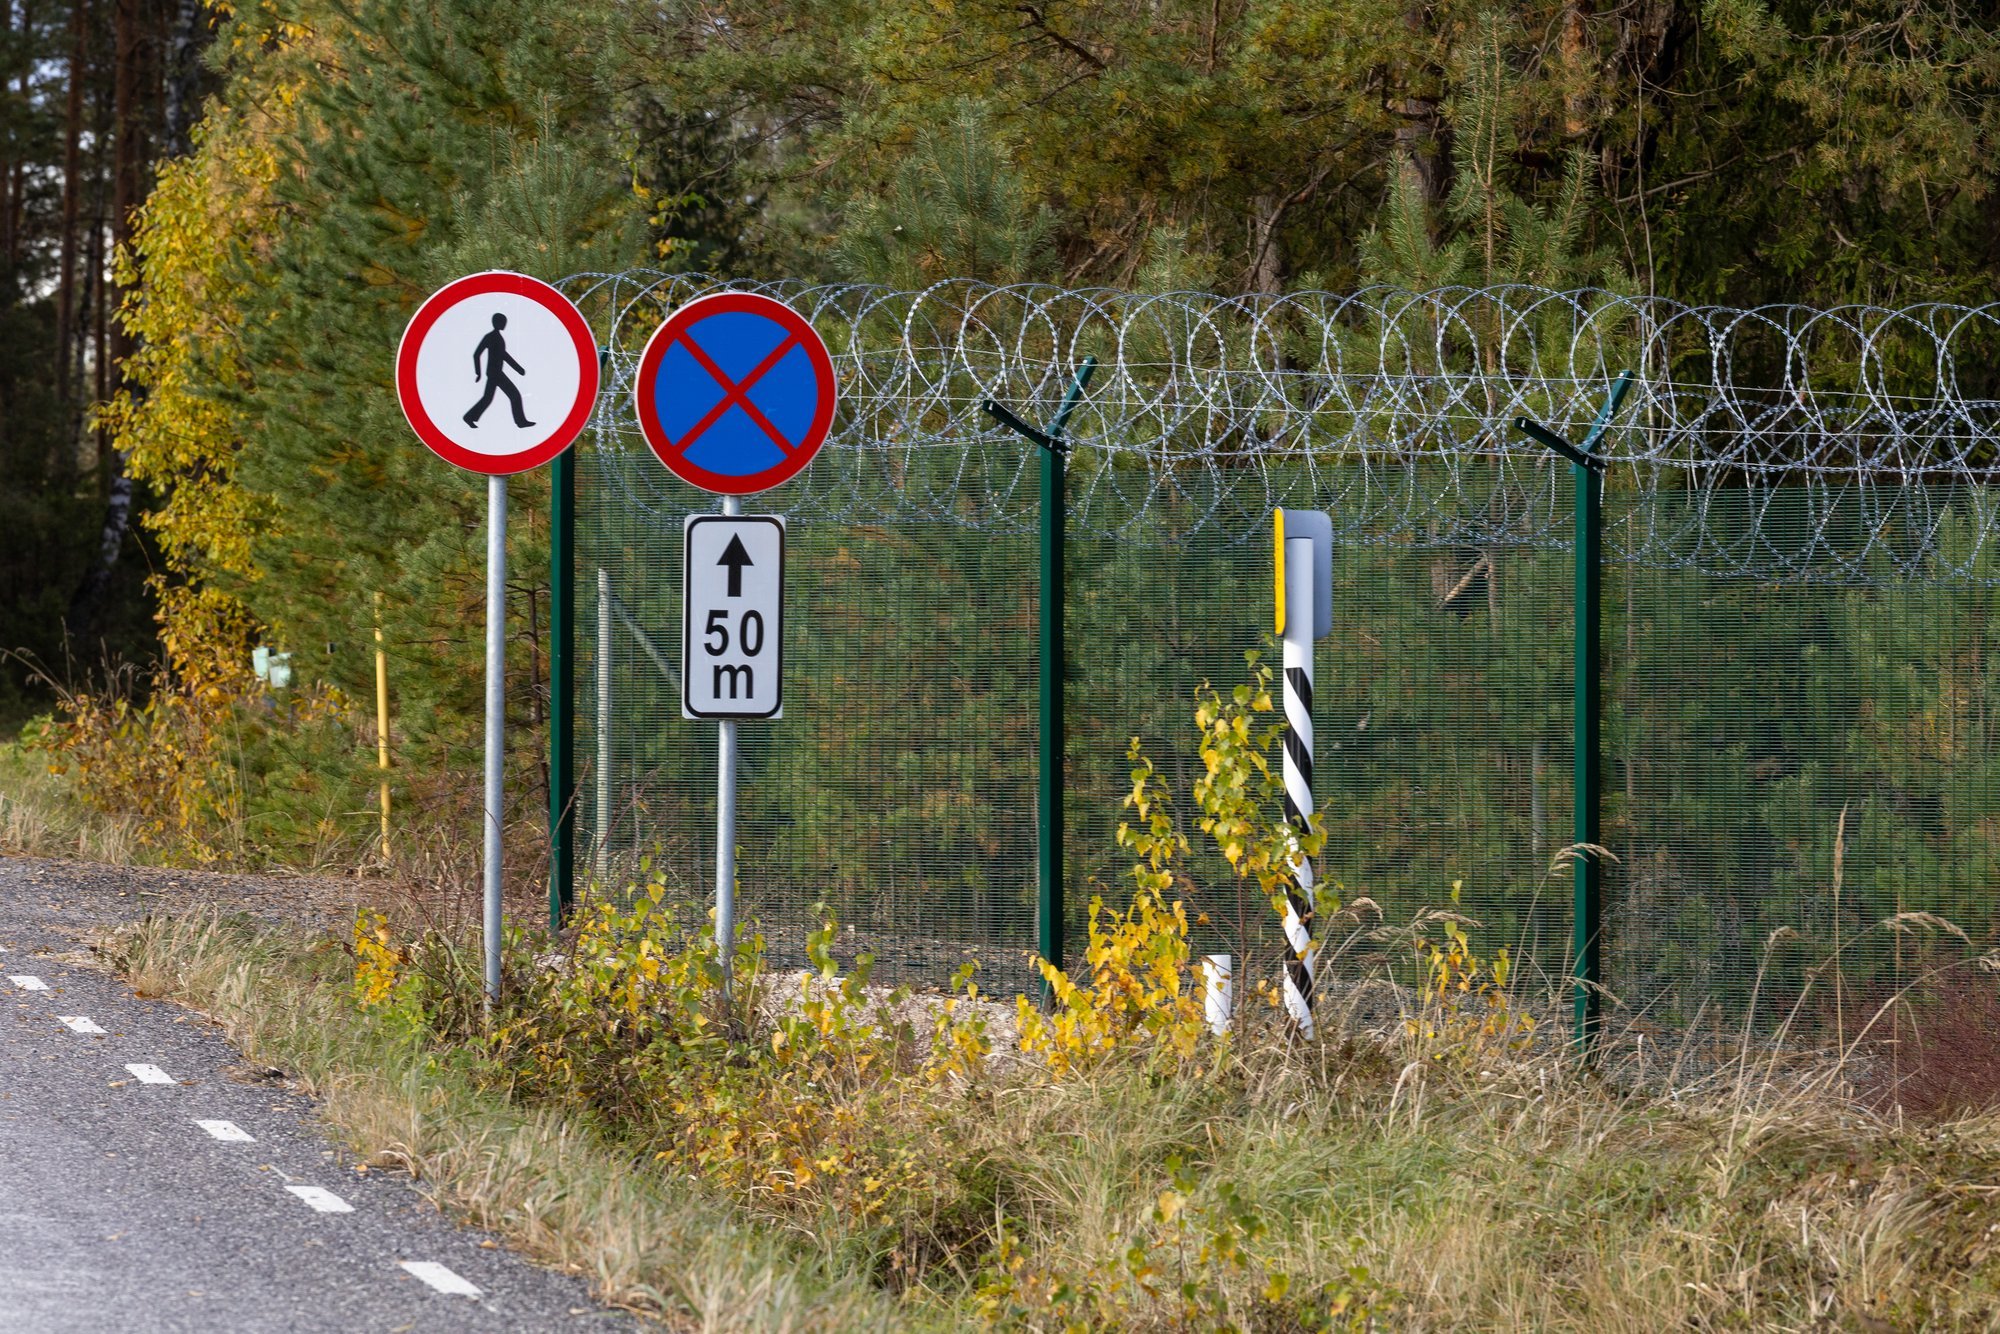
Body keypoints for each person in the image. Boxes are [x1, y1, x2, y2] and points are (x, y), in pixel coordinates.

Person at [463, 313, 534, 429]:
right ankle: (520, 422)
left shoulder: (498, 337)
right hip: (495, 373)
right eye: (503, 322)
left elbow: (504, 355)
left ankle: (469, 417)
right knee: (514, 395)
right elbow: (477, 354)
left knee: (488, 398)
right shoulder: (490, 336)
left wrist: (519, 369)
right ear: (496, 322)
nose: (505, 324)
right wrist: (478, 372)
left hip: (495, 373)